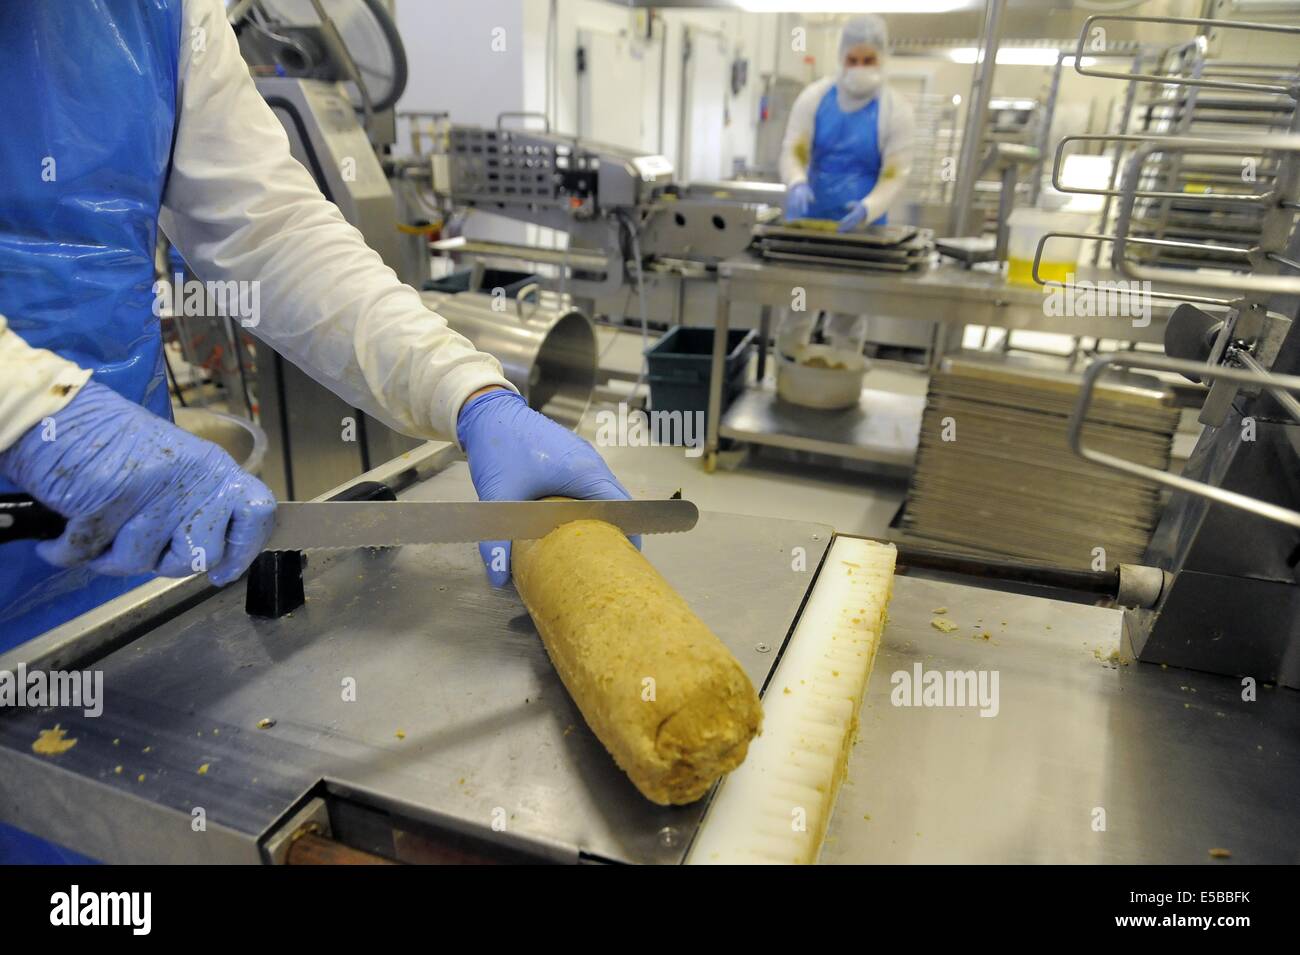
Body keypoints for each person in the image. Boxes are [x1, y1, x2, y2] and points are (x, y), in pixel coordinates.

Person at [780, 14, 915, 232]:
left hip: (865, 225)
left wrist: (869, 207)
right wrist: (796, 182)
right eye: (852, 60)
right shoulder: (814, 97)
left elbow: (895, 173)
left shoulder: (896, 110)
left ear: (881, 59)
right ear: (841, 58)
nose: (859, 67)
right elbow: (793, 151)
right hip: (810, 217)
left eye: (868, 61)